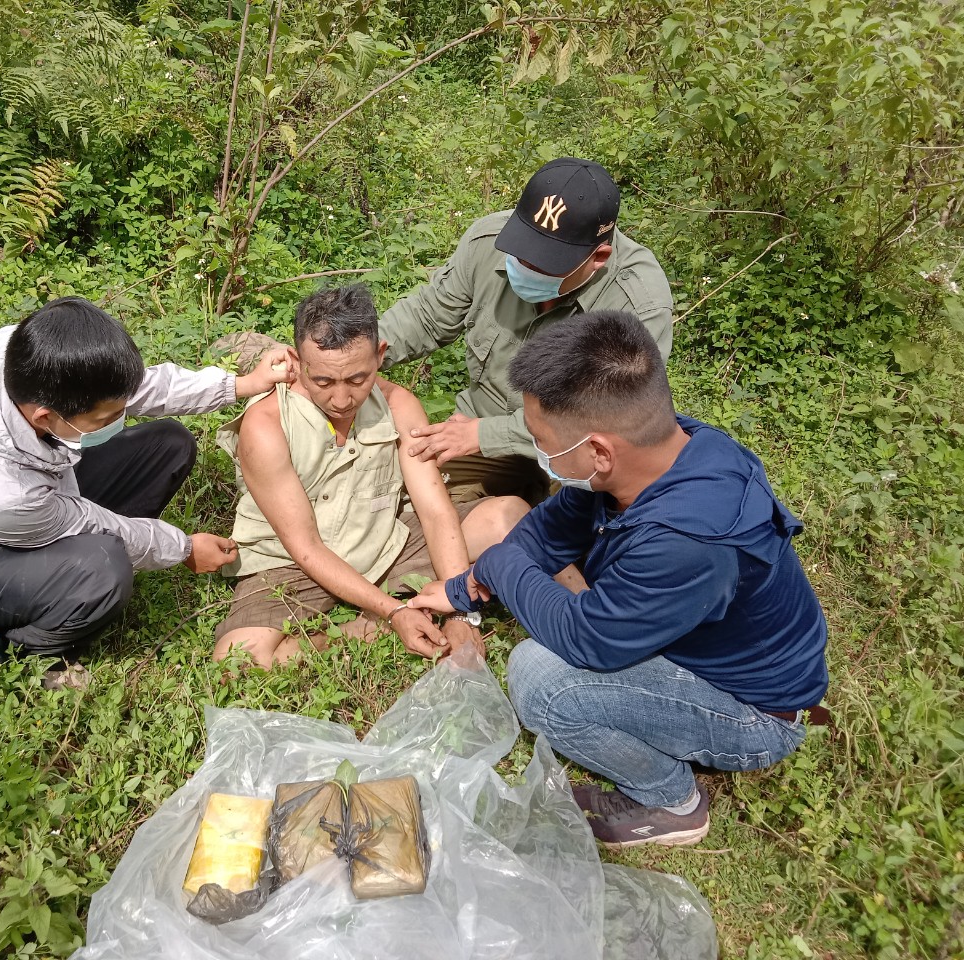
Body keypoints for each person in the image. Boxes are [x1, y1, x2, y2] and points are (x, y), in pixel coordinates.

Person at [412, 310, 829, 847]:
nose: (540, 454)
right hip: (694, 644)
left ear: (599, 452)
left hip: (754, 711)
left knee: (541, 681)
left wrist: (497, 564)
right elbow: (549, 527)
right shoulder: (667, 451)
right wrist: (461, 587)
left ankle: (672, 801)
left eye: (544, 444)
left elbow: (590, 640)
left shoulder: (693, 542)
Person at [0, 296, 293, 688]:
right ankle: (30, 656)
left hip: (23, 502)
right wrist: (183, 549)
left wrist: (242, 384)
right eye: (105, 419)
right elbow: (88, 521)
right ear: (46, 416)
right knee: (102, 568)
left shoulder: (17, 353)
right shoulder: (0, 491)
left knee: (169, 443)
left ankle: (55, 584)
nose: (118, 420)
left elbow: (135, 391)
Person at [213, 284, 529, 668]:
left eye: (358, 380)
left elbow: (433, 510)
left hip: (386, 545)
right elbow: (306, 547)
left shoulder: (399, 404)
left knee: (508, 517)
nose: (342, 399)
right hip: (292, 564)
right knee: (239, 663)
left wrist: (461, 611)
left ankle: (426, 607)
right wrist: (392, 614)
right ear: (297, 361)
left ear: (379, 356)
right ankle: (374, 625)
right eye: (324, 382)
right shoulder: (266, 425)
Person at [379, 157, 673, 504]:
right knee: (418, 505)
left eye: (545, 263)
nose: (525, 266)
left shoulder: (636, 302)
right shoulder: (488, 242)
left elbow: (604, 417)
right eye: (522, 249)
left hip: (574, 451)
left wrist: (487, 435)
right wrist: (358, 352)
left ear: (599, 257)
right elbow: (428, 315)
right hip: (479, 431)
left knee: (591, 531)